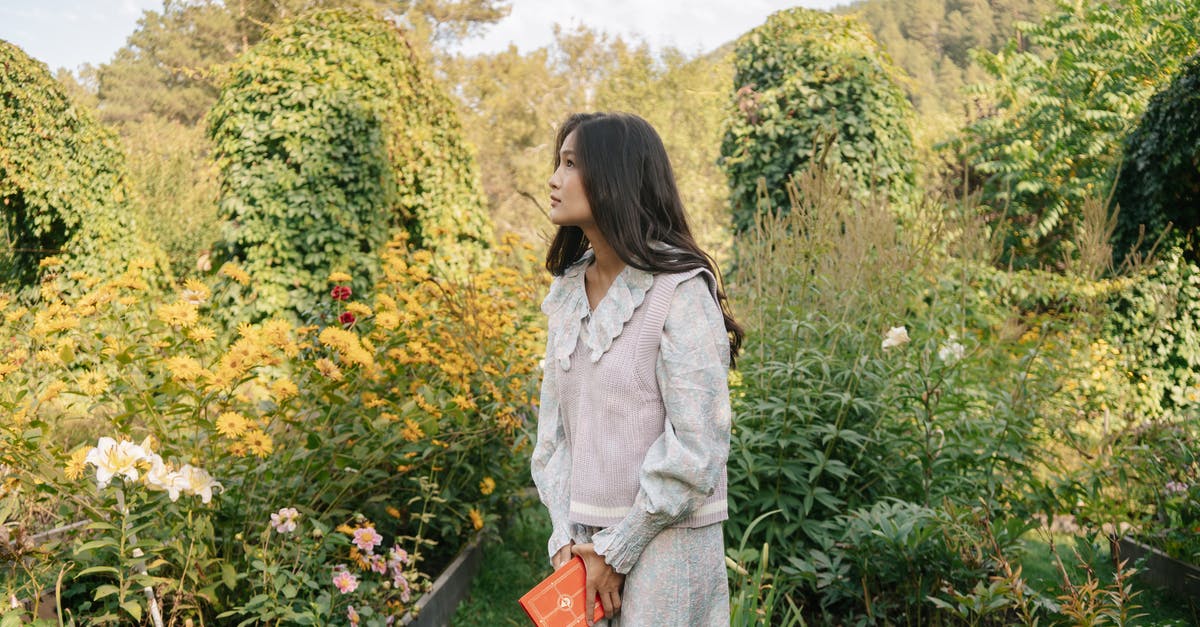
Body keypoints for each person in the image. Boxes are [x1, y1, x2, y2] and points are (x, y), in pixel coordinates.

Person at [531, 112, 744, 626]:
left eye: (570, 164)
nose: (554, 180)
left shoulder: (679, 291)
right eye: (557, 163)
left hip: (666, 548)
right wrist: (567, 539)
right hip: (583, 549)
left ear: (614, 177)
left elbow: (699, 445)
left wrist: (617, 550)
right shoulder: (567, 292)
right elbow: (554, 435)